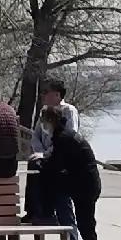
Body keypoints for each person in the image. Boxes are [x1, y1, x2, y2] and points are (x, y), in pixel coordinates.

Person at [33, 107, 101, 240]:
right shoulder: (65, 134)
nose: (43, 125)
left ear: (51, 121)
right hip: (84, 182)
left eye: (44, 121)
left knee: (86, 225)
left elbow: (56, 164)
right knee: (86, 224)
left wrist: (42, 163)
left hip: (85, 185)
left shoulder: (63, 138)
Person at [25, 78, 81, 218]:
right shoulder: (44, 110)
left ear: (57, 94)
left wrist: (47, 154)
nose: (43, 95)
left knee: (52, 174)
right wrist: (39, 152)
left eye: (46, 92)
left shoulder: (68, 110)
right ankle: (33, 211)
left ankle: (49, 212)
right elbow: (36, 135)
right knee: (33, 165)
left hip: (59, 156)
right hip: (43, 154)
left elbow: (68, 138)